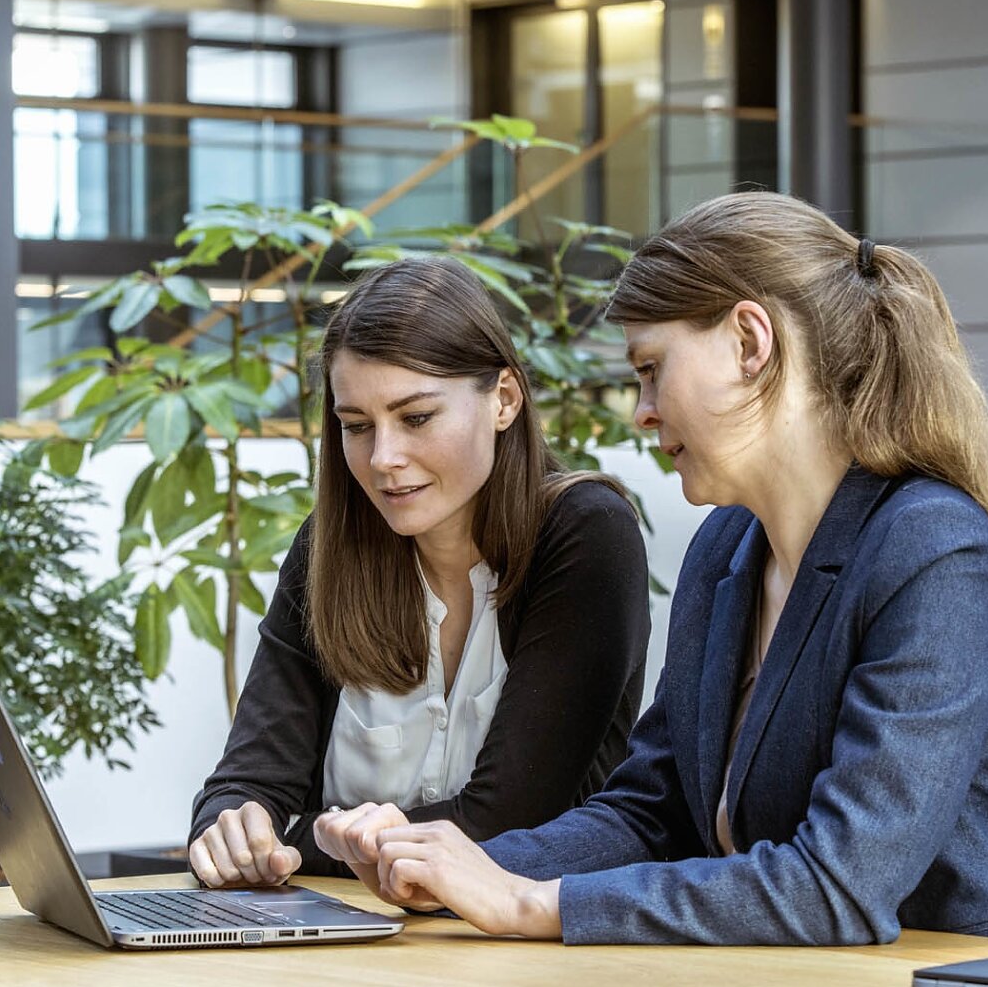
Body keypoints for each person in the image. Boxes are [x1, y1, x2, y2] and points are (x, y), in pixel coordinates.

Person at [314, 191, 988, 946]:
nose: (642, 410)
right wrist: (460, 867)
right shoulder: (725, 550)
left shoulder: (937, 552)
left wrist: (531, 901)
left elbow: (839, 885)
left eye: (652, 369)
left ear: (750, 341)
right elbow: (651, 812)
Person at [187, 256, 652, 886]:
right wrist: (231, 829)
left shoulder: (586, 533)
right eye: (356, 426)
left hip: (523, 934)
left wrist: (297, 839)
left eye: (416, 418)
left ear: (504, 399)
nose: (383, 458)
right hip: (342, 931)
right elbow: (246, 785)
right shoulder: (329, 546)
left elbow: (503, 823)